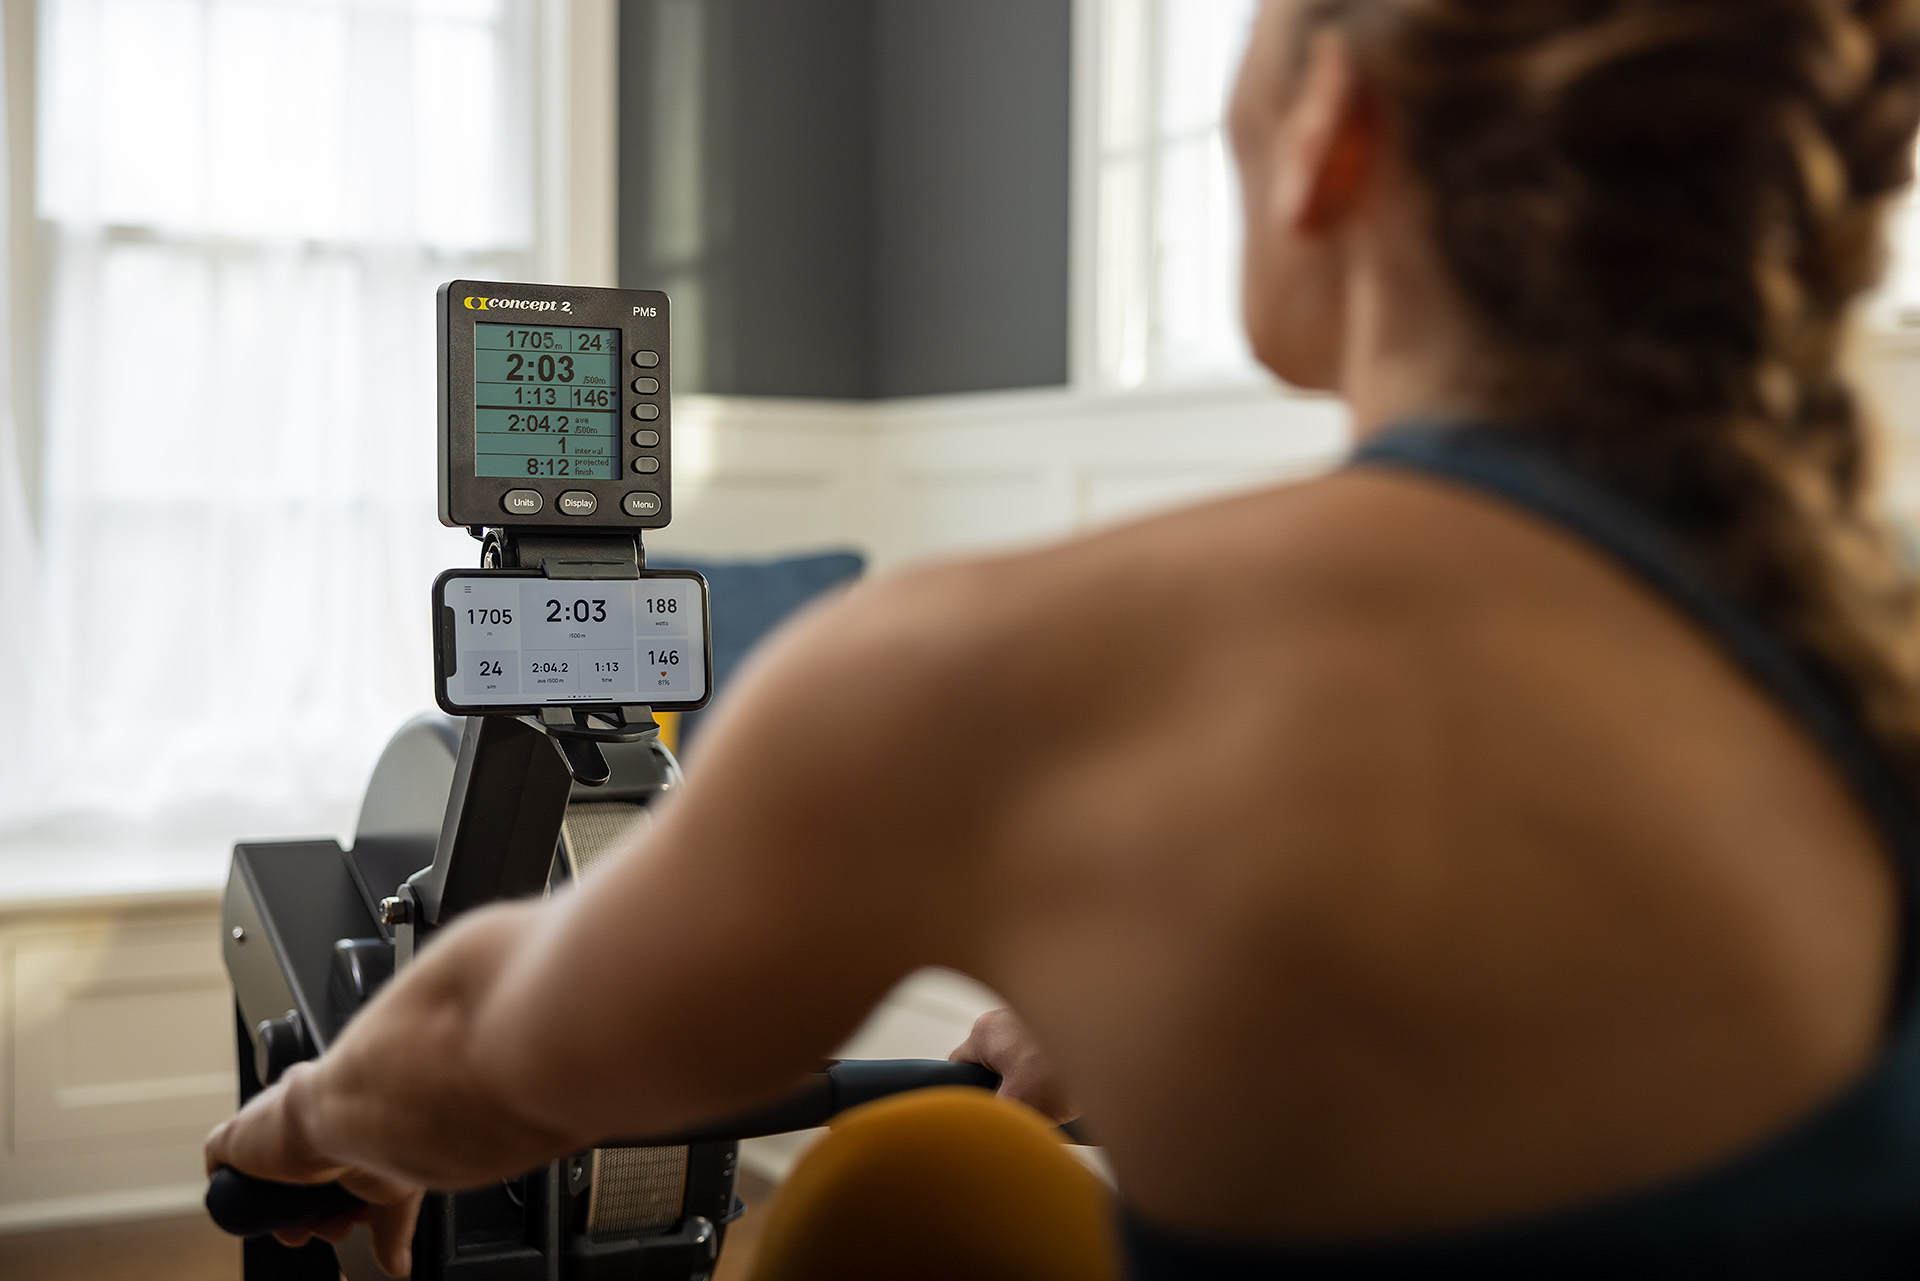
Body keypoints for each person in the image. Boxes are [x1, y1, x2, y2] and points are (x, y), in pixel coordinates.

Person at [208, 0, 1920, 1275]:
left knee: (903, 1207)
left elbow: (490, 1054)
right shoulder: (1865, 649)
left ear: (1329, 127)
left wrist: (300, 1116)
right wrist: (1174, 1014)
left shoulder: (997, 666)